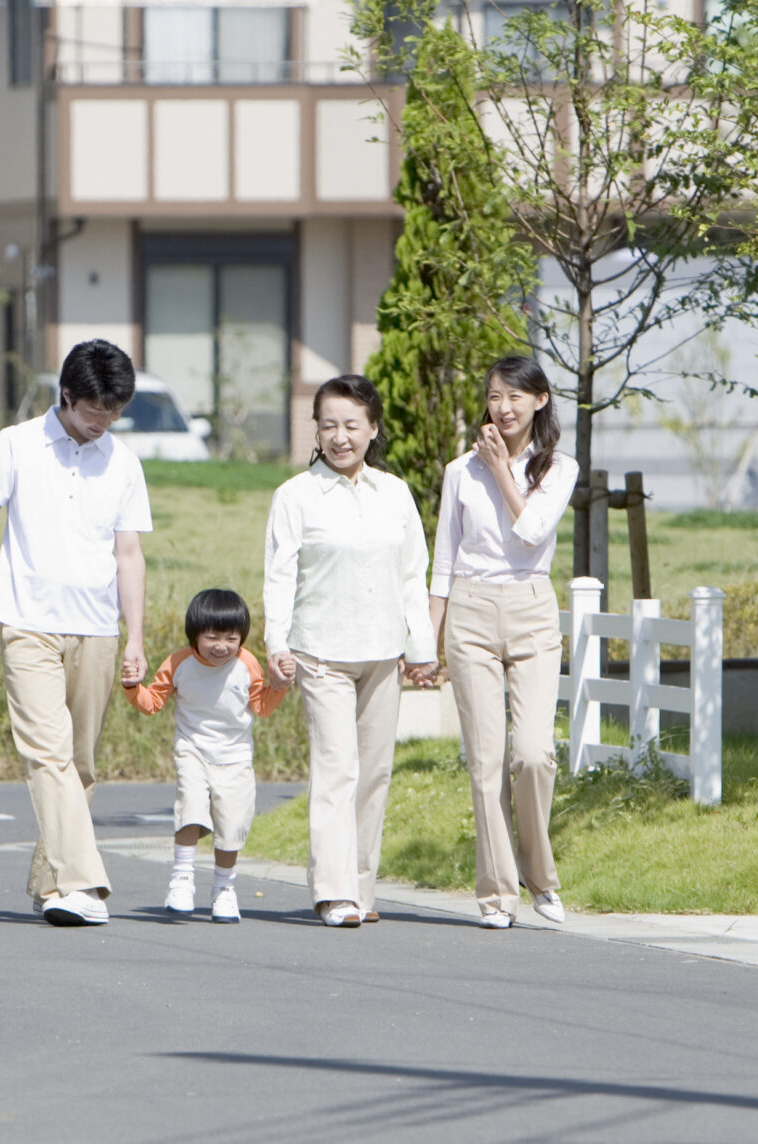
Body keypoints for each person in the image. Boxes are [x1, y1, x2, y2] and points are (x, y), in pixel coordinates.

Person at [0, 339, 151, 927]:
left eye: (114, 413)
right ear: (66, 395)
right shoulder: (15, 444)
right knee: (47, 756)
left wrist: (134, 637)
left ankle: (51, 882)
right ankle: (83, 883)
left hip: (98, 629)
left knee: (79, 766)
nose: (103, 423)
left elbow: (130, 554)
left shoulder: (123, 461)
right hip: (29, 624)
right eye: (94, 411)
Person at [262, 374, 433, 929]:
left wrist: (420, 647)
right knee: (336, 769)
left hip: (383, 652)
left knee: (374, 773)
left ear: (373, 429)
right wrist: (276, 643)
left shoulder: (395, 493)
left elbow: (413, 575)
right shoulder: (295, 495)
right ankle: (333, 892)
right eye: (329, 425)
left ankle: (361, 887)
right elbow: (279, 576)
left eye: (352, 425)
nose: (340, 437)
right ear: (316, 429)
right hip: (321, 651)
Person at [429, 353, 579, 930]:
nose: (504, 406)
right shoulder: (457, 471)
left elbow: (531, 532)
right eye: (495, 395)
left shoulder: (558, 467)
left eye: (516, 396)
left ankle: (540, 876)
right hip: (469, 608)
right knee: (486, 762)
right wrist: (428, 639)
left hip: (531, 607)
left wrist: (499, 470)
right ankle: (497, 895)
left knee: (533, 754)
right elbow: (443, 560)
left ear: (539, 400)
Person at [126, 589, 283, 922]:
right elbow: (152, 703)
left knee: (232, 822)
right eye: (211, 637)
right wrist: (132, 687)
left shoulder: (248, 664)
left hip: (236, 755)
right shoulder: (178, 663)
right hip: (192, 749)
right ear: (194, 635)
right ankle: (182, 878)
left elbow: (262, 707)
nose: (221, 645)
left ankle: (224, 889)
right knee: (192, 806)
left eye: (231, 637)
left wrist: (280, 684)